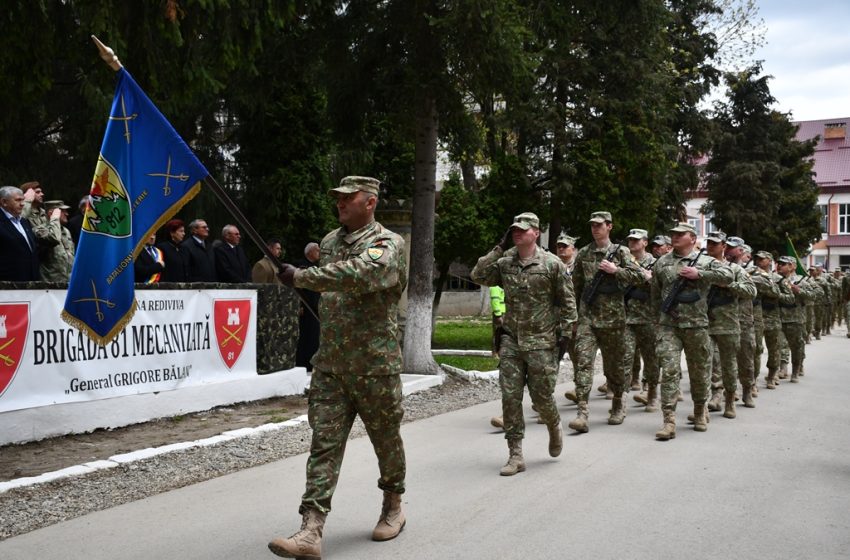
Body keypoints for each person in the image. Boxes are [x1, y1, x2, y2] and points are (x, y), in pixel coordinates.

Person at [268, 176, 408, 558]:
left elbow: (358, 275)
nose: (340, 204)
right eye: (338, 198)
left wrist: (303, 277)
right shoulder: (330, 241)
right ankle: (310, 529)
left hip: (375, 365)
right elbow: (329, 289)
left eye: (349, 198)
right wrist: (300, 281)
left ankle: (393, 505)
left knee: (386, 441)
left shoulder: (388, 244)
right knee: (324, 446)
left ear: (371, 202)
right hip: (331, 365)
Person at [470, 212, 577, 475]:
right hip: (511, 341)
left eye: (523, 229)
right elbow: (478, 274)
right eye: (514, 229)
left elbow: (568, 304)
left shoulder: (552, 265)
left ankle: (554, 425)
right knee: (510, 397)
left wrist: (563, 338)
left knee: (542, 399)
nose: (517, 232)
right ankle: (515, 454)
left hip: (542, 342)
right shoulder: (505, 262)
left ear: (536, 232)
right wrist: (499, 246)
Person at [650, 222, 732, 440]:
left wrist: (700, 274)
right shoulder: (662, 263)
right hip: (669, 326)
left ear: (693, 238)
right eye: (673, 234)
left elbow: (729, 276)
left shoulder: (706, 262)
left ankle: (699, 411)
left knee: (699, 372)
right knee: (668, 371)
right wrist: (657, 320)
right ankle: (668, 420)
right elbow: (655, 294)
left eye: (680, 234)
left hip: (697, 325)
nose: (674, 237)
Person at [568, 211, 643, 432]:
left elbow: (640, 277)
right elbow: (575, 286)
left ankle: (618, 402)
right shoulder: (583, 254)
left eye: (599, 225)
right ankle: (582, 412)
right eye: (592, 225)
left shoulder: (621, 252)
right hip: (588, 318)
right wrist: (573, 316)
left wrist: (616, 270)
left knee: (615, 367)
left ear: (609, 226)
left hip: (614, 319)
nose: (595, 228)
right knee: (583, 363)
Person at [704, 233, 756, 419]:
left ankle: (734, 396)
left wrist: (729, 285)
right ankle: (713, 397)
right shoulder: (699, 265)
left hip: (730, 323)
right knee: (709, 363)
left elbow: (751, 291)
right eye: (708, 242)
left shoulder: (734, 269)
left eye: (714, 243)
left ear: (723, 246)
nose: (710, 246)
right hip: (703, 322)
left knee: (732, 363)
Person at [621, 228, 660, 412]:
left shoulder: (655, 263)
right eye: (630, 240)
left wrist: (648, 278)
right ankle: (620, 400)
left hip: (648, 319)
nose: (633, 243)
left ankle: (652, 393)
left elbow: (660, 288)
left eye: (637, 240)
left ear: (645, 242)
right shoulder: (623, 261)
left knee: (651, 358)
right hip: (626, 318)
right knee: (624, 358)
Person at [776, 256, 808, 383]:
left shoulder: (802, 280)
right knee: (779, 345)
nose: (779, 266)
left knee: (797, 346)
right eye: (779, 263)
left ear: (792, 266)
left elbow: (816, 295)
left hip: (796, 319)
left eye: (783, 264)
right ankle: (783, 368)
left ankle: (796, 369)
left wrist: (799, 291)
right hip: (778, 317)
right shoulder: (776, 280)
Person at [0, 186, 40, 281]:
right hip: (8, 285)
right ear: (4, 202)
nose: (22, 204)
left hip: (31, 282)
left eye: (23, 200)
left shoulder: (24, 222)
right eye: (18, 200)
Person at [295, 242, 321, 371]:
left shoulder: (315, 267)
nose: (319, 253)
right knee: (306, 336)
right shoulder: (301, 266)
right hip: (306, 307)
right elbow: (298, 288)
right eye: (317, 250)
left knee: (314, 336)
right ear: (309, 252)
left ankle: (311, 362)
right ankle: (303, 363)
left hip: (315, 307)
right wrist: (299, 305)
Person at [39, 200, 75, 282]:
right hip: (51, 283)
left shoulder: (66, 231)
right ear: (51, 213)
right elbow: (54, 238)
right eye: (62, 211)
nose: (67, 214)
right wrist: (54, 218)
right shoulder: (40, 229)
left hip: (68, 280)